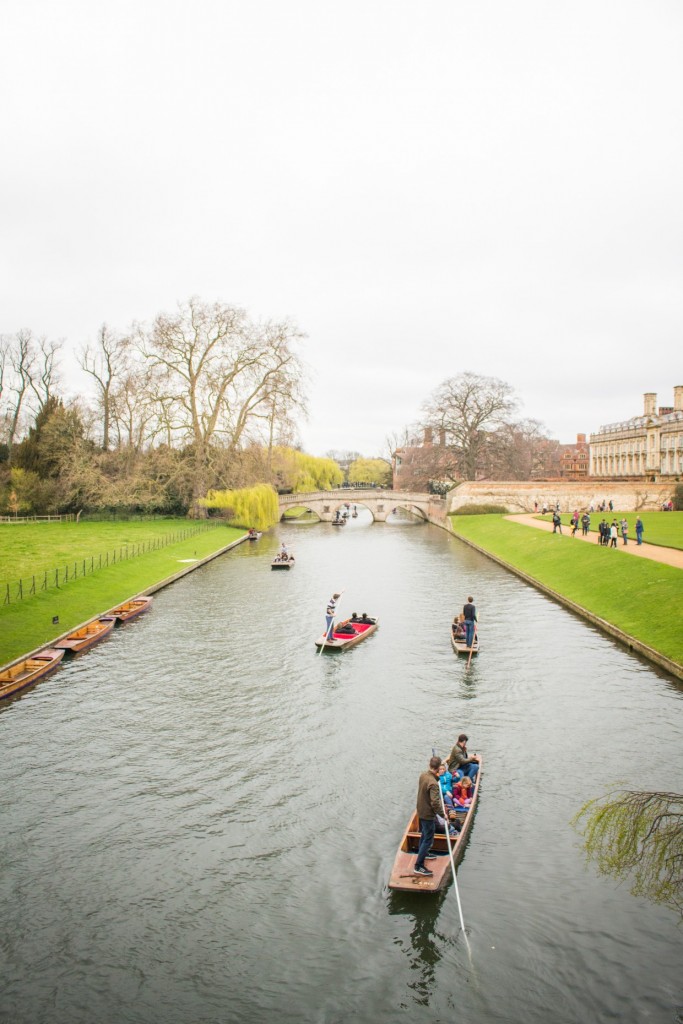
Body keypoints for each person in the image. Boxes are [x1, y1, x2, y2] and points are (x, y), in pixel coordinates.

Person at [413, 755, 443, 876]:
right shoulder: (433, 783)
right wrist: (443, 815)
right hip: (427, 814)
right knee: (428, 838)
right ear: (438, 768)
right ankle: (418, 866)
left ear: (429, 765)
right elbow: (435, 802)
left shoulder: (423, 775)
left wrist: (437, 778)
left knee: (424, 834)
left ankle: (423, 854)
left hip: (420, 810)